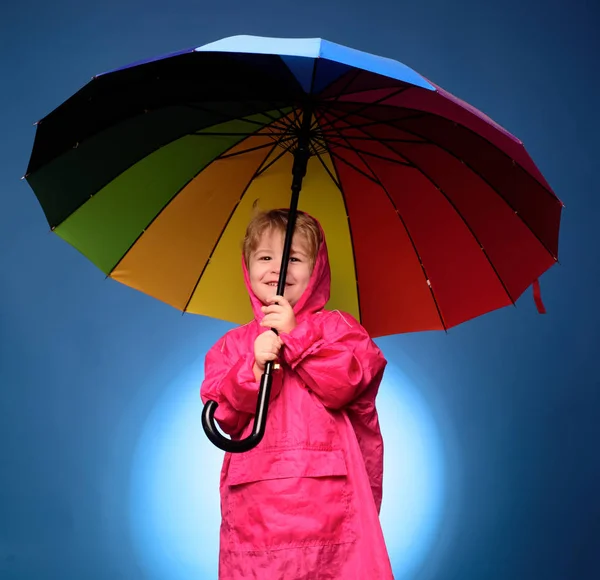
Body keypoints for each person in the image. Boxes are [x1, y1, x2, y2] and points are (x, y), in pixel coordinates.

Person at [200, 209, 394, 579]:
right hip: (258, 507)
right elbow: (223, 415)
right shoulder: (233, 345)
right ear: (247, 266)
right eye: (265, 257)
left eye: (294, 258)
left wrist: (296, 336)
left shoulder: (340, 330)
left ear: (316, 268)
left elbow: (348, 383)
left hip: (329, 506)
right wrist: (253, 369)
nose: (278, 269)